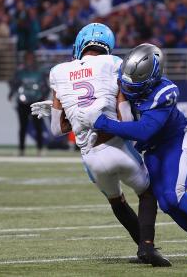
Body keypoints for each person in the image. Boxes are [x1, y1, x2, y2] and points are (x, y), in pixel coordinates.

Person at [79, 43, 187, 268]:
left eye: (134, 82)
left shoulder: (164, 92)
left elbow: (144, 130)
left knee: (174, 195)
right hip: (153, 148)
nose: (126, 86)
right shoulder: (123, 78)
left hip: (177, 141)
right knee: (168, 204)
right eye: (125, 80)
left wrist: (102, 123)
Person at [31, 24, 170, 267]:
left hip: (91, 158)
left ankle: (142, 248)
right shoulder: (113, 63)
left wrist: (66, 112)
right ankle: (147, 247)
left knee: (117, 201)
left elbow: (56, 130)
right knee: (147, 193)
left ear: (80, 44)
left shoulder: (58, 72)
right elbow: (125, 119)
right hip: (117, 147)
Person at [9, 51, 48, 156]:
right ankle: (21, 149)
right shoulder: (20, 72)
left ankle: (40, 149)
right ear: (25, 60)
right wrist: (11, 94)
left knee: (38, 126)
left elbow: (45, 87)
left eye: (31, 58)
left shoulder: (39, 72)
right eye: (28, 58)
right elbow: (14, 84)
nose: (29, 60)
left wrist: (44, 97)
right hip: (23, 103)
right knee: (23, 126)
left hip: (37, 102)